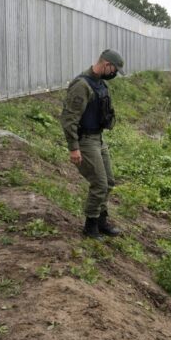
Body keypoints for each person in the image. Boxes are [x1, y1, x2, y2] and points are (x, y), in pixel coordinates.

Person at [59, 49, 124, 238]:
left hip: (98, 138)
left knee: (109, 182)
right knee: (99, 183)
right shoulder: (82, 85)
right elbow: (69, 119)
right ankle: (90, 225)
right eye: (114, 70)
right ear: (106, 65)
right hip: (86, 141)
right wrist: (74, 148)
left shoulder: (99, 83)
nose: (114, 74)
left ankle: (102, 220)